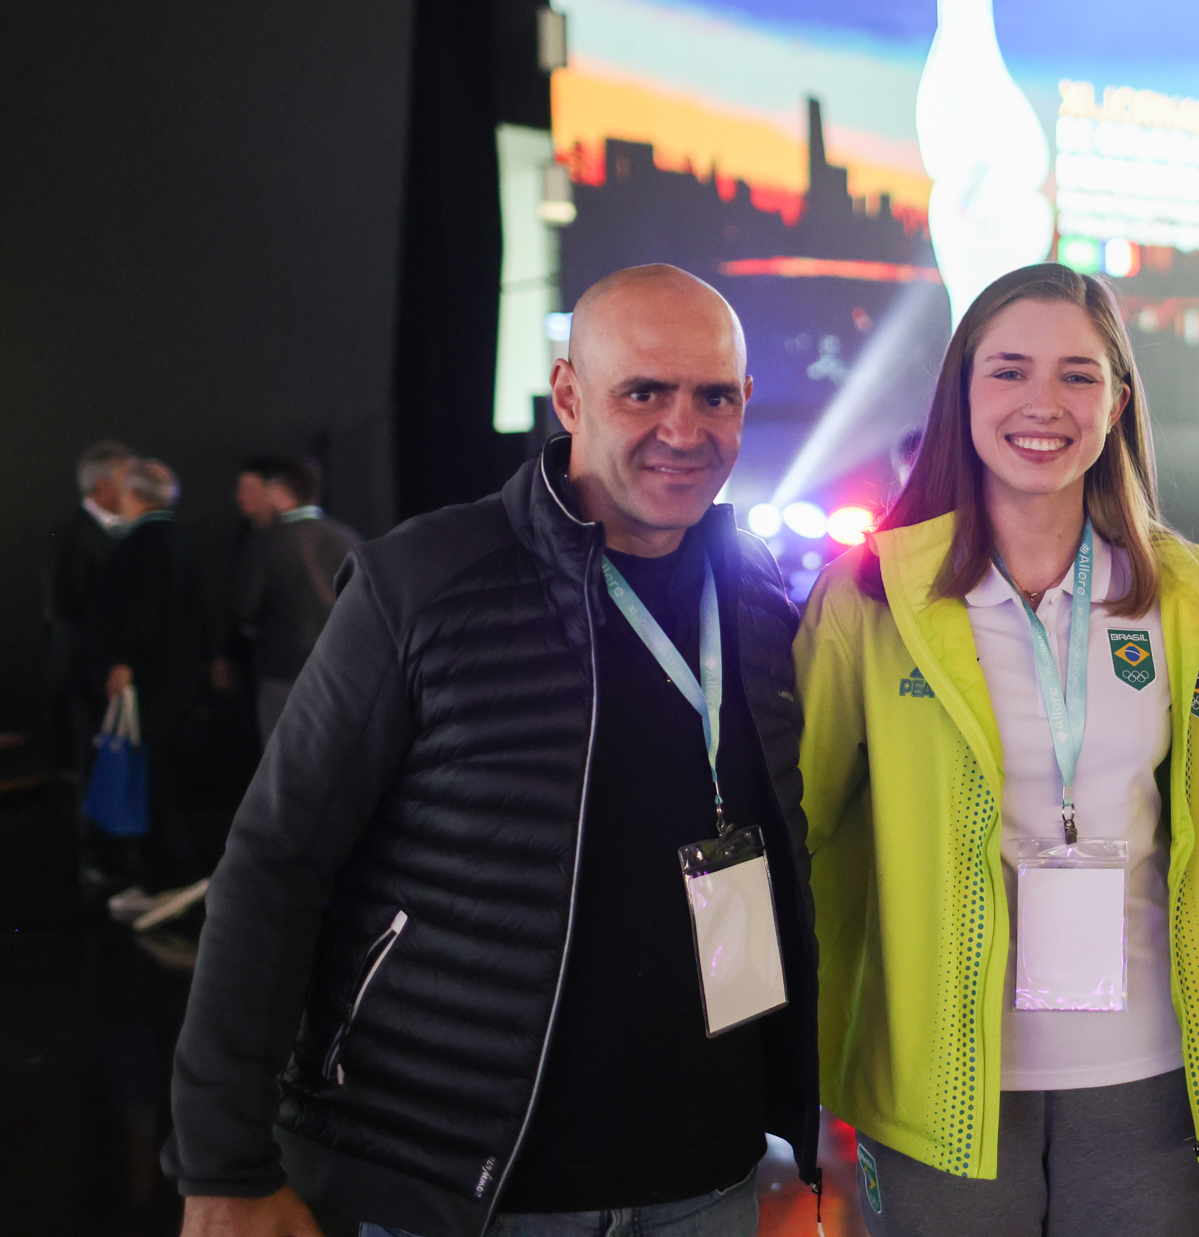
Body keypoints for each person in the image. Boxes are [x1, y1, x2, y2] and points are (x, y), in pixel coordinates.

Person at [164, 264, 818, 1237]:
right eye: (643, 392)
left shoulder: (755, 592)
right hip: (468, 1189)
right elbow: (274, 863)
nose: (684, 430)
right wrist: (223, 1164)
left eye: (714, 396)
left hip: (708, 1177)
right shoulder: (422, 583)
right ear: (568, 396)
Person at [797, 263, 1199, 1236]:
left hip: (1148, 1074)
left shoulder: (1185, 596)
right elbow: (805, 822)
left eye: (1078, 375)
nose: (1043, 403)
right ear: (961, 393)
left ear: (1116, 402)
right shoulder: (870, 597)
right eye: (1008, 371)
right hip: (937, 1076)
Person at [103, 459, 214, 926]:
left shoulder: (140, 545)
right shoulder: (181, 539)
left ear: (133, 495)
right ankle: (168, 873)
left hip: (152, 681)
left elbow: (139, 614)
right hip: (182, 679)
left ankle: (169, 875)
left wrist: (124, 661)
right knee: (166, 772)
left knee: (153, 775)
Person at [232, 456, 361, 741]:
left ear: (278, 492)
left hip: (284, 671)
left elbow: (245, 609)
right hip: (341, 669)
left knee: (285, 757)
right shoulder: (347, 537)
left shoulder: (265, 540)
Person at [44, 440, 134, 842]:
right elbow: (65, 606)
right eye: (126, 478)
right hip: (90, 672)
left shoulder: (123, 529)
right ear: (102, 485)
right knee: (94, 759)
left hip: (111, 669)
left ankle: (113, 846)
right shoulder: (71, 535)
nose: (133, 487)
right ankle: (96, 851)